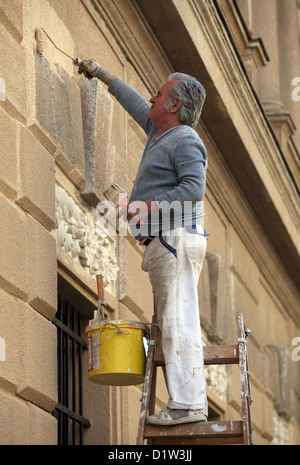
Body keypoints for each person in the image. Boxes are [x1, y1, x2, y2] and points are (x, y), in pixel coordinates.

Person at [78, 60, 209, 425]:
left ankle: (187, 405)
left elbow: (193, 190)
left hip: (175, 240)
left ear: (174, 106)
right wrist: (100, 72)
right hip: (167, 242)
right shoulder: (159, 129)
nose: (153, 96)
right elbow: (135, 101)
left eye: (160, 93)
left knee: (176, 320)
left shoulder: (185, 139)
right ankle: (187, 402)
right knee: (173, 319)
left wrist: (139, 207)